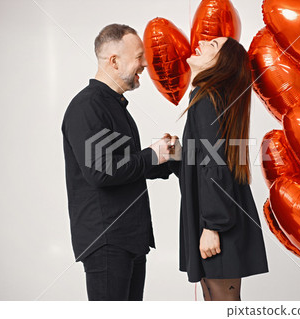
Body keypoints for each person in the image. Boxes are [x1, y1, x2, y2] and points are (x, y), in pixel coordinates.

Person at [61, 24, 180, 301]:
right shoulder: (87, 106)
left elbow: (124, 166)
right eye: (139, 56)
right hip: (107, 241)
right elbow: (101, 172)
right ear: (114, 61)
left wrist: (168, 159)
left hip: (129, 238)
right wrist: (153, 154)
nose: (145, 64)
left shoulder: (114, 105)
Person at [175, 37, 269, 301]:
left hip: (219, 221)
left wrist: (212, 227)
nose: (203, 42)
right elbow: (211, 158)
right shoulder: (211, 97)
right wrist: (178, 158)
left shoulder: (207, 97)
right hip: (220, 214)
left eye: (213, 45)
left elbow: (214, 164)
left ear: (221, 65)